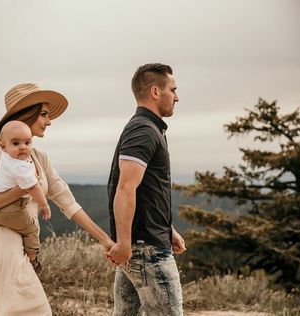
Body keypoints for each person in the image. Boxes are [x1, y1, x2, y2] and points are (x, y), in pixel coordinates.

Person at [0, 83, 114, 316]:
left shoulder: (39, 158)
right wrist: (21, 189)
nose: (49, 121)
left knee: (1, 309)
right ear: (27, 115)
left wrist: (105, 240)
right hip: (3, 243)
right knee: (31, 310)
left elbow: (67, 202)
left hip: (21, 246)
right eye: (44, 114)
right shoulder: (0, 151)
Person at [106, 63, 186, 316]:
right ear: (155, 91)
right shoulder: (143, 130)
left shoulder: (149, 128)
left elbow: (147, 191)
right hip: (147, 251)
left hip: (143, 245)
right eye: (172, 90)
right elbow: (125, 189)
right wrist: (125, 244)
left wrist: (168, 229)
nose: (177, 96)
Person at [0, 120, 51, 270]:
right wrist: (43, 204)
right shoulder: (21, 166)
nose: (23, 147)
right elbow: (33, 187)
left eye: (27, 143)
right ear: (3, 146)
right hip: (13, 211)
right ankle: (32, 259)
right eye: (16, 143)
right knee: (31, 231)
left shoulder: (5, 157)